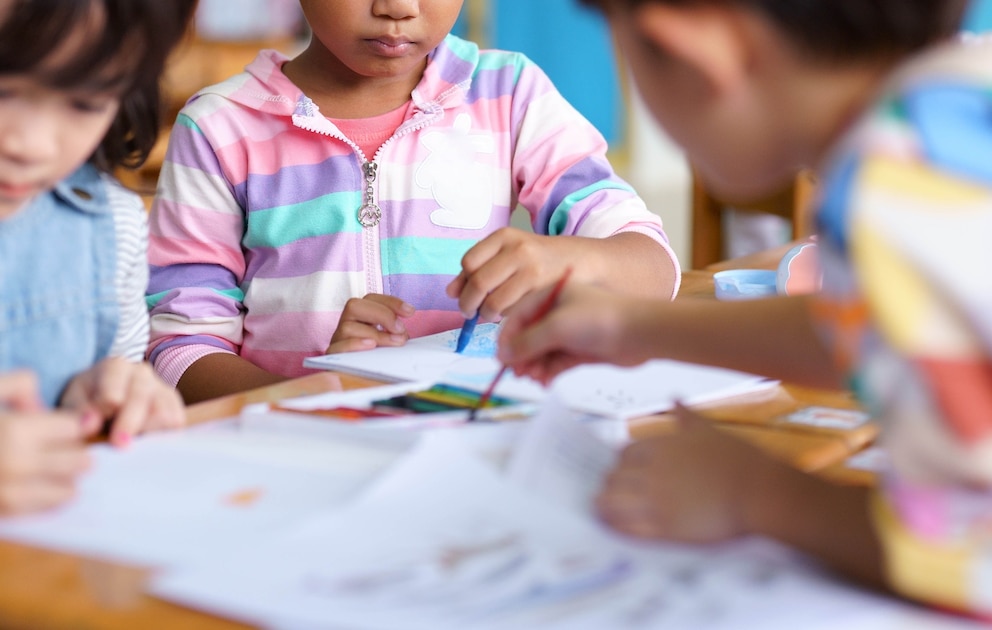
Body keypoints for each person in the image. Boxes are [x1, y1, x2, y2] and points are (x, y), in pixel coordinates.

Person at [498, 0, 992, 618]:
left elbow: (976, 556)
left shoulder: (898, 189)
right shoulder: (958, 107)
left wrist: (757, 494)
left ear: (689, 54)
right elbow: (874, 328)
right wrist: (631, 324)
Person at [145, 0, 682, 404]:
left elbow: (654, 268)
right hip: (296, 458)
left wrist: (569, 260)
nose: (398, 7)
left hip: (475, 437)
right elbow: (180, 351)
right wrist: (318, 396)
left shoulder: (508, 93)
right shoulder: (218, 128)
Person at [0, 0, 196, 514]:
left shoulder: (109, 225)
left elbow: (117, 370)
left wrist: (106, 393)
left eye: (85, 103)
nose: (32, 145)